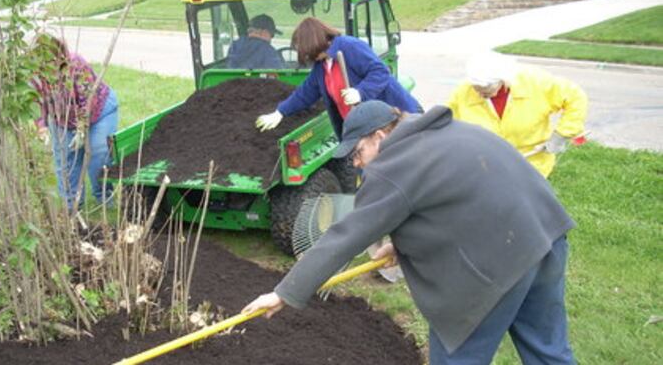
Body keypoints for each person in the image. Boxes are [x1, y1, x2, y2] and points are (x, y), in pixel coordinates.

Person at [243, 100, 576, 365]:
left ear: (379, 137)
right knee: (549, 352)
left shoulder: (392, 166)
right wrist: (401, 244)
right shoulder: (448, 132)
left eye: (357, 153)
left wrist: (285, 292)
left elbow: (346, 236)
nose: (356, 164)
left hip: (497, 267)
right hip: (544, 236)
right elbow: (454, 202)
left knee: (458, 357)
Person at [255, 17, 421, 139]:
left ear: (313, 43)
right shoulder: (322, 65)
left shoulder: (350, 47)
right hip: (366, 130)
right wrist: (280, 112)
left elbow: (380, 71)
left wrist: (360, 92)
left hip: (397, 121)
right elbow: (306, 93)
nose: (306, 56)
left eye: (305, 51)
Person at [447, 52, 587, 178]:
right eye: (475, 88)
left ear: (501, 80)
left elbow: (575, 98)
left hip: (531, 165)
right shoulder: (464, 92)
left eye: (486, 88)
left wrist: (562, 134)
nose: (479, 93)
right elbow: (447, 121)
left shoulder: (535, 82)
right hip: (486, 167)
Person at [32, 34, 119, 210]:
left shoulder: (76, 64)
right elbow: (34, 101)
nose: (48, 65)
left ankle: (104, 197)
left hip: (99, 112)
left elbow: (88, 100)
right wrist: (41, 127)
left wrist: (81, 129)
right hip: (62, 120)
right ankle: (72, 206)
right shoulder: (35, 74)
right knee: (66, 162)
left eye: (51, 60)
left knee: (98, 153)